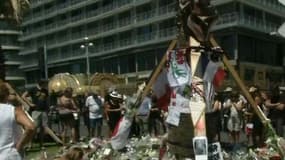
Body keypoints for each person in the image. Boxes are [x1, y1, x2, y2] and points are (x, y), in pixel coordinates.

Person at [0, 83, 35, 159]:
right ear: (7, 95)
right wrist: (20, 145)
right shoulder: (14, 110)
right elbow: (30, 127)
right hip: (10, 154)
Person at [21, 79, 49, 148]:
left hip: (44, 111)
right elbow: (23, 96)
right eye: (45, 84)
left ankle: (41, 144)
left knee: (43, 128)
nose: (46, 85)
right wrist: (30, 104)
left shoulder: (45, 91)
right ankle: (30, 144)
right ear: (41, 83)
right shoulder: (33, 89)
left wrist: (48, 108)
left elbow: (47, 100)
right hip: (35, 111)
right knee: (34, 128)